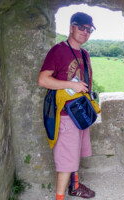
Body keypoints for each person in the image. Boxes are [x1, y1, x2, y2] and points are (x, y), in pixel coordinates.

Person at [38, 12, 96, 200]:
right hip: (65, 114)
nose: (85, 32)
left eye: (89, 29)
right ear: (71, 27)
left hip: (81, 112)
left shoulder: (84, 53)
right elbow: (43, 80)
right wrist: (72, 85)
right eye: (81, 27)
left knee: (75, 152)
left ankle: (75, 186)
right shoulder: (58, 51)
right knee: (65, 161)